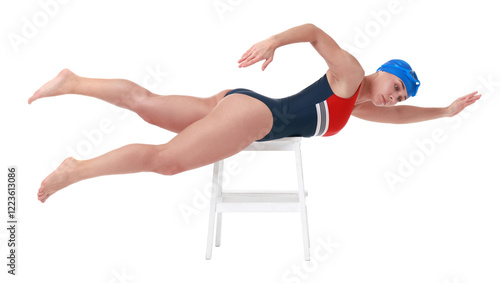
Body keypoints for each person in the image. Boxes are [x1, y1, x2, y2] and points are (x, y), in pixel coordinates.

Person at [31, 23, 481, 203]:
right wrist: (273, 43)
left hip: (244, 105)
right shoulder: (352, 75)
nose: (395, 98)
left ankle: (72, 82)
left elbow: (399, 120)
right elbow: (315, 32)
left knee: (147, 105)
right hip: (254, 119)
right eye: (397, 87)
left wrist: (444, 113)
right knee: (165, 161)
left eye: (401, 96)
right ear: (384, 71)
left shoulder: (357, 104)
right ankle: (77, 169)